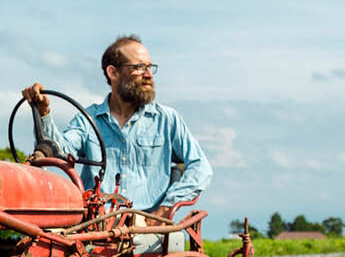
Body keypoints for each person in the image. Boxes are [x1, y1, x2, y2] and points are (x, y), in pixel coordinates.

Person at [21, 35, 211, 231]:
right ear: (113, 72)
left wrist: (163, 211)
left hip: (146, 226)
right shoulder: (88, 119)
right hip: (94, 224)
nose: (148, 74)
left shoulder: (167, 120)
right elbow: (61, 151)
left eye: (150, 67)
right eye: (138, 67)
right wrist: (43, 112)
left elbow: (200, 167)